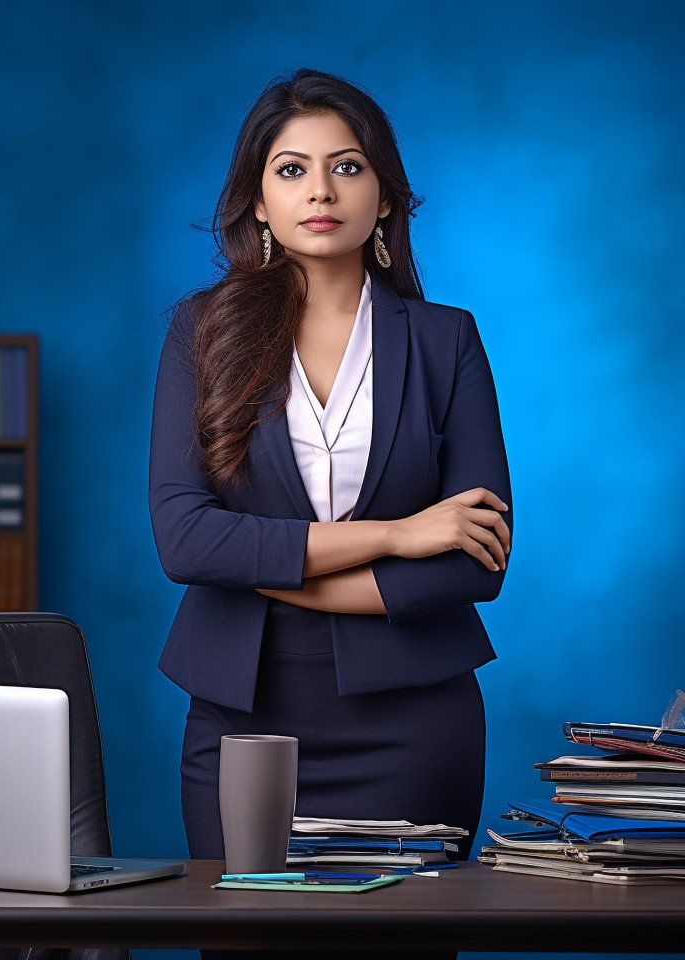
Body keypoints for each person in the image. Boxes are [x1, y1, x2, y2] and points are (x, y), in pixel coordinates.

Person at [148, 68, 511, 958]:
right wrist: (396, 533)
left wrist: (277, 574)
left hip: (416, 722)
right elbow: (185, 537)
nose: (321, 190)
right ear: (259, 203)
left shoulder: (446, 341)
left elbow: (476, 561)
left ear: (385, 196)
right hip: (244, 726)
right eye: (292, 169)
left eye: (347, 167)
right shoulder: (202, 333)